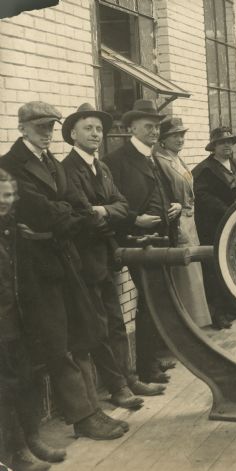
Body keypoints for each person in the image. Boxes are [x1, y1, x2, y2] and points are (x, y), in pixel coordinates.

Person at [0, 102, 125, 440]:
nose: (47, 134)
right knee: (57, 342)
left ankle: (92, 411)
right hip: (34, 268)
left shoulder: (52, 163)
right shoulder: (9, 166)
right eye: (41, 128)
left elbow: (76, 206)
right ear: (22, 127)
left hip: (63, 258)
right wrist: (64, 217)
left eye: (51, 127)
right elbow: (43, 212)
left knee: (81, 334)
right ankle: (83, 416)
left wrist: (63, 217)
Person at [62, 103, 165, 413]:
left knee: (117, 320)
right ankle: (116, 387)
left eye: (98, 129)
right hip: (84, 259)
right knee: (98, 325)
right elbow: (82, 213)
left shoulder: (101, 167)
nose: (95, 134)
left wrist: (104, 210)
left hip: (107, 254)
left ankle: (128, 378)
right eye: (88, 128)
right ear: (72, 134)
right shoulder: (67, 170)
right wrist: (108, 213)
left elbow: (121, 205)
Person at [104, 99, 182, 385]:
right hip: (137, 242)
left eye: (157, 126)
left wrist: (173, 206)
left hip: (160, 238)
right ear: (131, 127)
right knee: (148, 301)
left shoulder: (153, 157)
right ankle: (145, 367)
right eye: (148, 126)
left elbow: (162, 192)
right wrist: (135, 219)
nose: (154, 131)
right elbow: (112, 203)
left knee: (156, 300)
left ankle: (151, 359)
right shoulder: (116, 161)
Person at [0, 169, 66, 471]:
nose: (8, 202)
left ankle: (32, 440)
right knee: (5, 388)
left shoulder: (13, 227)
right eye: (2, 197)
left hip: (17, 319)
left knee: (26, 380)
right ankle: (13, 454)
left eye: (11, 196)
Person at [193, 127, 236, 329]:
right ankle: (219, 312)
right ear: (214, 147)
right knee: (217, 266)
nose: (227, 146)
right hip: (216, 224)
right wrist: (227, 209)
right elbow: (202, 196)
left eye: (230, 142)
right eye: (222, 143)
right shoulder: (205, 169)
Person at [154, 117, 212, 328]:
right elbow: (162, 190)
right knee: (184, 275)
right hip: (178, 224)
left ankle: (196, 324)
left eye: (182, 134)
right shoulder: (160, 161)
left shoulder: (177, 159)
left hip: (189, 221)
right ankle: (185, 327)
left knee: (193, 272)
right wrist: (175, 205)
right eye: (174, 135)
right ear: (163, 139)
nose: (180, 139)